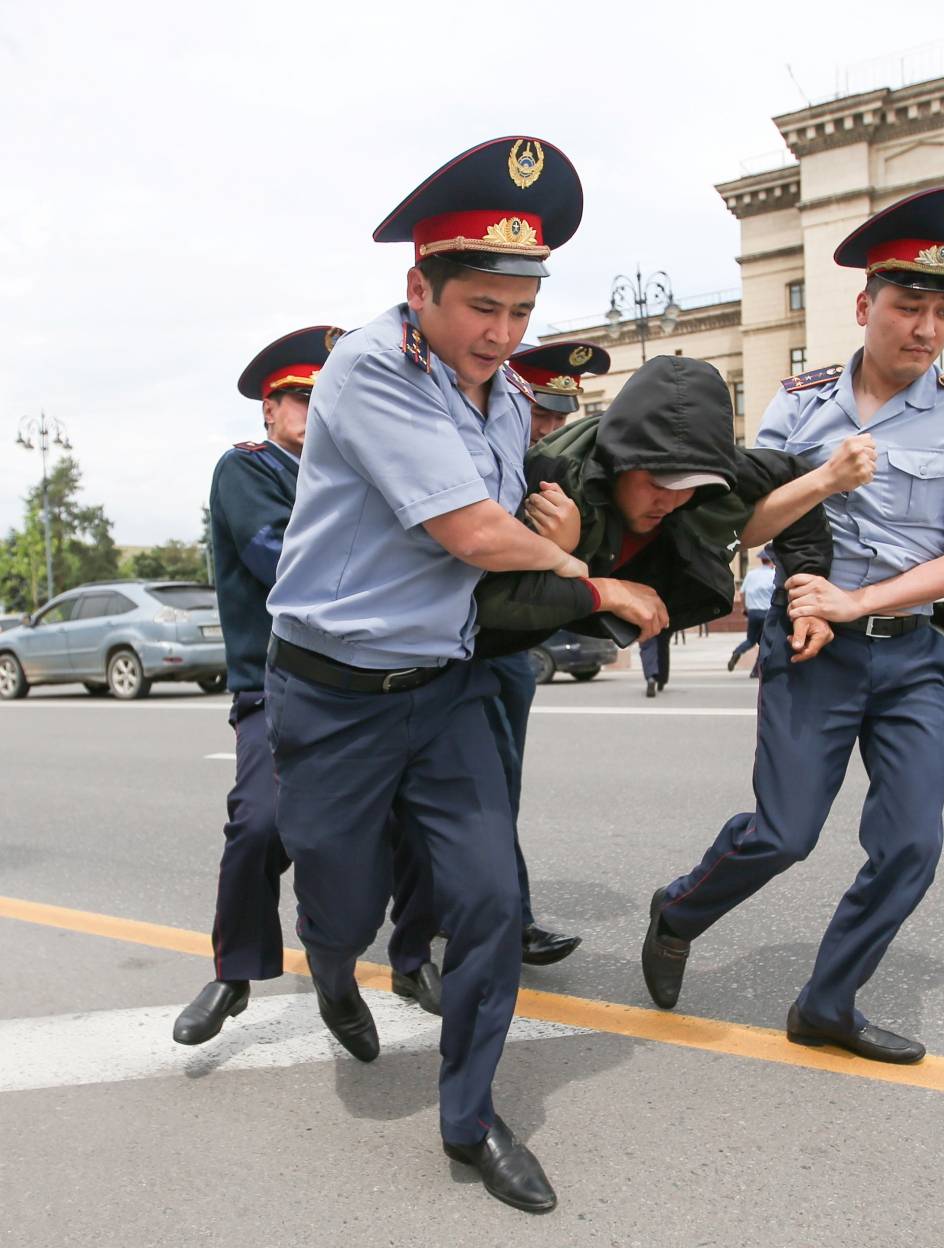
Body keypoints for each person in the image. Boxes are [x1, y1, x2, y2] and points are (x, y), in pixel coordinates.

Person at [263, 136, 589, 1215]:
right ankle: (329, 963)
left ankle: (470, 1121)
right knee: (344, 902)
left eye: (518, 310)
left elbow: (512, 512)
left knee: (489, 897)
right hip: (335, 692)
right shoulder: (369, 366)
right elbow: (469, 532)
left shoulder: (499, 392)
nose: (501, 335)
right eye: (479, 307)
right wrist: (587, 577)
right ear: (420, 290)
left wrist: (558, 523)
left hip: (442, 684)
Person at [640, 185, 944, 1065]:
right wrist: (822, 483)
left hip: (909, 652)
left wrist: (856, 601)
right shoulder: (802, 404)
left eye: (941, 311)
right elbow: (743, 525)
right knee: (783, 834)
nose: (925, 329)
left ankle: (828, 1001)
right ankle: (680, 909)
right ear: (865, 306)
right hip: (811, 646)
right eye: (906, 306)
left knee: (911, 846)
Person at [171, 327, 444, 1047]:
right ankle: (234, 974)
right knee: (261, 823)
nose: (318, 408)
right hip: (277, 684)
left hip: (377, 682)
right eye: (302, 397)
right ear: (270, 409)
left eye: (329, 396)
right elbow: (279, 560)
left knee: (416, 821)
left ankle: (412, 957)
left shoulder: (359, 468)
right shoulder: (249, 470)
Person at [470, 353, 859, 682]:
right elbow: (487, 598)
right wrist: (580, 569)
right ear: (618, 463)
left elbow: (796, 479)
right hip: (473, 649)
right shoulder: (552, 482)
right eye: (657, 482)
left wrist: (808, 592)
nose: (669, 500)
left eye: (688, 485)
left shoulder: (715, 466)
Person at [483, 340, 611, 963]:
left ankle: (504, 916)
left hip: (509, 655)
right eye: (542, 412)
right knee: (471, 794)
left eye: (562, 417)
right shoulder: (479, 454)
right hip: (454, 648)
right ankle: (504, 919)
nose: (551, 429)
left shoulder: (554, 474)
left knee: (497, 791)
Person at [727, 549, 776, 675]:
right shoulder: (773, 575)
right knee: (766, 642)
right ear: (771, 561)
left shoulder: (751, 574)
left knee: (750, 640)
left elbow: (742, 593)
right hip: (767, 613)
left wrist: (745, 608)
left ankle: (737, 652)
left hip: (753, 612)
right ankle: (756, 670)